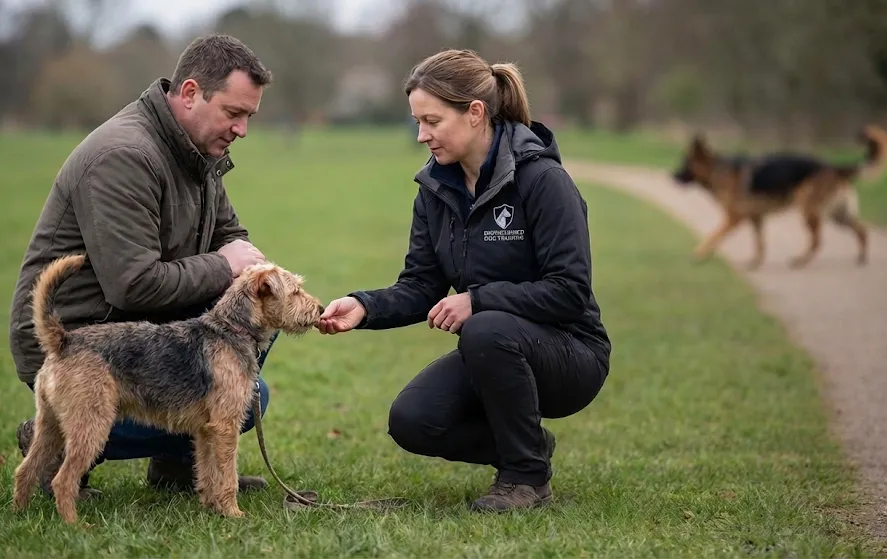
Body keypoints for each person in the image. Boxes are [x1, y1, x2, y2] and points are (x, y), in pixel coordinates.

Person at [317, 49, 612, 512]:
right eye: (417, 121)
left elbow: (570, 291)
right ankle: (527, 446)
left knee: (485, 326)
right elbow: (421, 286)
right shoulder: (436, 190)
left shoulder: (544, 181)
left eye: (432, 121)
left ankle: (526, 479)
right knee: (413, 420)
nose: (421, 135)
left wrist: (478, 300)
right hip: (493, 349)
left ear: (475, 113)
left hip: (571, 353)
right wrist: (364, 306)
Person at [9, 33, 275, 499]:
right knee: (247, 399)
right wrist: (223, 264)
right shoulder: (124, 156)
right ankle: (52, 434)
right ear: (191, 94)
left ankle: (176, 468)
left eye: (248, 116)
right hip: (78, 342)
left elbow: (232, 237)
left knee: (253, 321)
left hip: (143, 326)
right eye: (234, 113)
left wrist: (255, 274)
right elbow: (132, 285)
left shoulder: (199, 153)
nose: (242, 130)